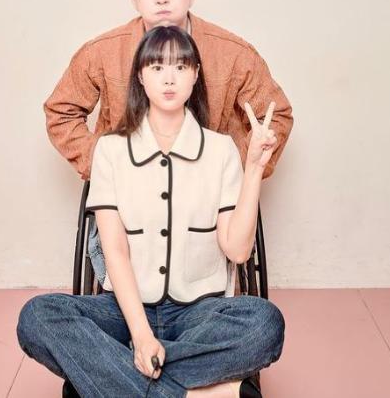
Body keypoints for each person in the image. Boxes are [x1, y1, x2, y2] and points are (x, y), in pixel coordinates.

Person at [17, 26, 285, 398]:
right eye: (157, 67)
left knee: (265, 324)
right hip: (123, 311)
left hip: (198, 315)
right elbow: (115, 251)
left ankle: (115, 372)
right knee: (37, 317)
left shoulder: (221, 150)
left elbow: (238, 251)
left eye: (180, 66)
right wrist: (141, 336)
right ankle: (194, 394)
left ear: (196, 74)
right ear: (140, 76)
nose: (169, 78)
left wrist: (253, 167)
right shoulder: (110, 150)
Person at [43, 0, 294, 183]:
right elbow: (60, 112)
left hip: (211, 195)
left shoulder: (234, 52)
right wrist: (104, 164)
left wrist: (232, 169)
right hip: (128, 192)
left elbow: (276, 115)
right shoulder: (101, 52)